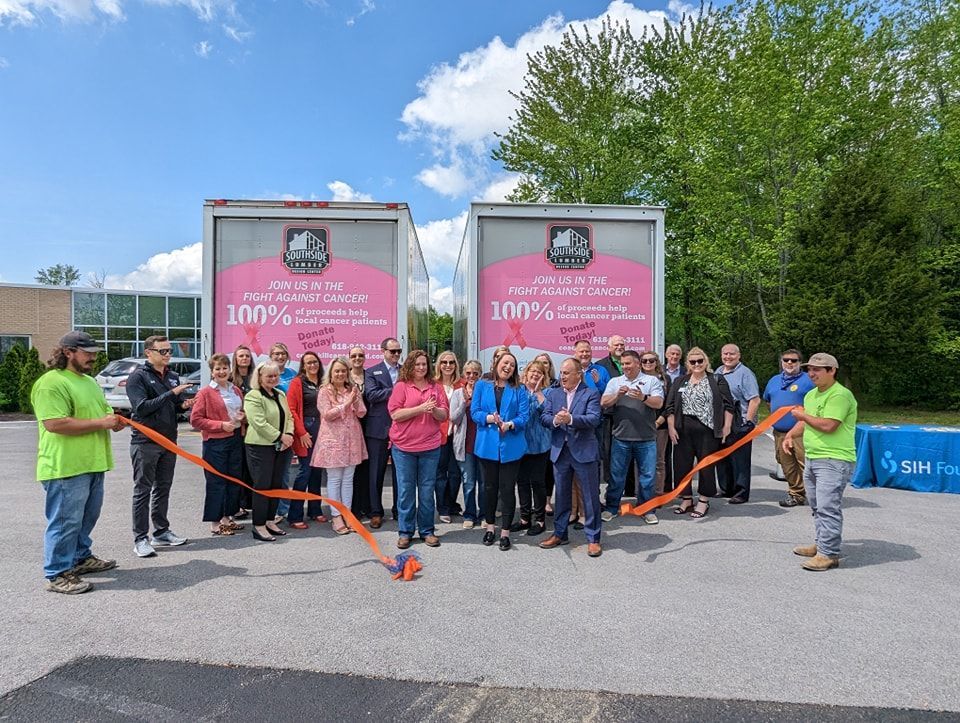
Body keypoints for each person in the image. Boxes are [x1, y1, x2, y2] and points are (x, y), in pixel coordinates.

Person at [32, 331, 122, 594]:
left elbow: (101, 411)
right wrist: (102, 423)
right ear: (68, 352)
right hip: (65, 467)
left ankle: (80, 558)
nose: (93, 357)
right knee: (65, 521)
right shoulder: (52, 383)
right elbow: (54, 423)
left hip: (93, 462)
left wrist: (113, 420)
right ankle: (58, 573)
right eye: (88, 353)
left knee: (86, 517)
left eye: (94, 353)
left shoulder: (89, 382)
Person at [783, 353, 857, 571]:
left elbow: (828, 425)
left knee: (828, 506)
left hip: (834, 459)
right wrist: (790, 435)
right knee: (816, 505)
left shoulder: (840, 396)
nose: (812, 373)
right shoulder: (812, 395)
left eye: (818, 369)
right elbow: (806, 424)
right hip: (814, 456)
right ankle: (821, 543)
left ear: (832, 371)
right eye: (810, 369)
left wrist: (803, 416)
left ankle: (828, 554)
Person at [126, 335, 194, 558]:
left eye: (169, 351)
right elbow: (142, 408)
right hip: (145, 441)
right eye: (162, 351)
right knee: (143, 490)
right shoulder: (138, 377)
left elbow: (174, 407)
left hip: (168, 440)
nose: (167, 355)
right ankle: (140, 538)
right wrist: (171, 394)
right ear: (149, 353)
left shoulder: (173, 376)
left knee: (163, 487)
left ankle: (161, 531)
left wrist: (185, 404)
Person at [539, 358, 604, 557]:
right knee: (562, 495)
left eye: (567, 373)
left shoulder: (591, 393)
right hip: (560, 452)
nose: (562, 376)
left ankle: (593, 538)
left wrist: (571, 419)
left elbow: (594, 419)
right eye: (562, 373)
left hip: (584, 451)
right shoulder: (555, 393)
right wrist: (556, 421)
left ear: (579, 374)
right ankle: (560, 533)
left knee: (590, 496)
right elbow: (544, 417)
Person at [388, 350, 448, 549]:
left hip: (430, 447)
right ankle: (405, 532)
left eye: (424, 364)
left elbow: (443, 415)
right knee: (405, 491)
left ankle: (427, 531)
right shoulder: (401, 386)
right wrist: (420, 409)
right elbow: (395, 414)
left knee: (426, 491)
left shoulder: (436, 387)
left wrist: (434, 410)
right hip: (404, 448)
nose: (421, 367)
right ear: (410, 366)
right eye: (417, 364)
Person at [664, 348, 734, 520]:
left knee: (705, 466)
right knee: (681, 465)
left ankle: (703, 499)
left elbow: (728, 405)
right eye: (693, 362)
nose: (696, 364)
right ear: (688, 363)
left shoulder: (716, 380)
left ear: (706, 361)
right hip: (683, 428)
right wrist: (671, 428)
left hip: (707, 430)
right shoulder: (681, 381)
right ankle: (686, 498)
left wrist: (727, 427)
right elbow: (670, 407)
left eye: (700, 361)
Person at [471, 351, 529, 550]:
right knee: (489, 488)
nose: (508, 367)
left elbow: (524, 416)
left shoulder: (519, 389)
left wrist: (510, 424)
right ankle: (489, 528)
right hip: (487, 445)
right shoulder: (481, 385)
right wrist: (489, 418)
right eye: (505, 363)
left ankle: (505, 532)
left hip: (511, 446)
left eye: (512, 365)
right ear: (496, 364)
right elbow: (475, 412)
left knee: (507, 489)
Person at [600, 350, 664, 524]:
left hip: (646, 438)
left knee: (647, 477)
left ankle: (646, 509)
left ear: (638, 363)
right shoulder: (615, 382)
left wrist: (643, 397)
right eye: (623, 364)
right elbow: (603, 402)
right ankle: (611, 508)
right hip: (621, 438)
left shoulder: (652, 381)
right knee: (616, 476)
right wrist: (617, 395)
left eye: (628, 363)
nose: (625, 367)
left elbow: (659, 403)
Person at [190, 353, 245, 536]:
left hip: (235, 438)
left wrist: (241, 417)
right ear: (212, 372)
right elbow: (196, 420)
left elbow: (240, 410)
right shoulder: (205, 393)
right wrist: (220, 425)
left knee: (233, 479)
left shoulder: (235, 390)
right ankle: (215, 522)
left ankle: (227, 517)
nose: (222, 372)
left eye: (224, 368)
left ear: (230, 370)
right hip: (215, 442)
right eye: (218, 369)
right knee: (216, 482)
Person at [312, 357, 368, 535]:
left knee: (348, 477)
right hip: (333, 440)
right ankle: (336, 515)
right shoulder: (324, 391)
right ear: (331, 373)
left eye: (343, 371)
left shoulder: (352, 389)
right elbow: (327, 415)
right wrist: (346, 403)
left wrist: (356, 399)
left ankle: (348, 513)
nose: (340, 374)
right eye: (337, 371)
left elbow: (362, 412)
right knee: (335, 478)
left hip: (352, 438)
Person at [243, 361, 294, 542]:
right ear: (260, 377)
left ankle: (271, 521)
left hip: (281, 446)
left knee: (276, 485)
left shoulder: (280, 394)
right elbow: (258, 422)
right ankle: (258, 525)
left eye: (276, 375)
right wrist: (281, 436)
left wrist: (288, 434)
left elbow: (289, 417)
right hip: (260, 447)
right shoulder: (253, 396)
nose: (273, 379)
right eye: (269, 376)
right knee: (262, 486)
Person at [763, 349, 815, 508]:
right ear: (781, 362)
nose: (790, 363)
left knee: (806, 465)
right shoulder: (774, 380)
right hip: (780, 432)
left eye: (794, 360)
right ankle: (796, 494)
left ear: (800, 363)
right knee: (787, 465)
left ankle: (817, 497)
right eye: (786, 360)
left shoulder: (809, 381)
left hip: (802, 431)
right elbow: (768, 401)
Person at [361, 337, 403, 527]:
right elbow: (371, 395)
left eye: (398, 351)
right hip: (378, 429)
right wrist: (396, 391)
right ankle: (375, 511)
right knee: (375, 473)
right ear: (383, 351)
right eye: (392, 351)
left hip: (402, 428)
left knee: (400, 474)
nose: (395, 355)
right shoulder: (371, 372)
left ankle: (399, 510)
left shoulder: (405, 372)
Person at [714, 344, 761, 503]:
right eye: (725, 354)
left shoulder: (745, 374)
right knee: (723, 458)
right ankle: (726, 488)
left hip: (740, 422)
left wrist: (748, 422)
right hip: (722, 423)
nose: (728, 357)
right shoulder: (718, 372)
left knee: (739, 460)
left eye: (732, 354)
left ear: (739, 355)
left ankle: (740, 492)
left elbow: (754, 399)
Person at [285, 351, 326, 529]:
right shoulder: (297, 382)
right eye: (308, 363)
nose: (312, 365)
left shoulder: (324, 382)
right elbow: (291, 409)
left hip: (323, 429)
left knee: (317, 471)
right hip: (306, 430)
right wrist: (301, 432)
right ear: (303, 365)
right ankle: (294, 515)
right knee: (305, 471)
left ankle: (315, 510)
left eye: (315, 362)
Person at [516, 360, 551, 536]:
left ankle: (540, 520)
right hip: (521, 445)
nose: (535, 374)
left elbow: (548, 411)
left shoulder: (547, 392)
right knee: (522, 482)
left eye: (539, 372)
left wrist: (537, 393)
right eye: (532, 371)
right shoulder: (518, 390)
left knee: (537, 482)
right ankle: (524, 518)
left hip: (540, 445)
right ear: (526, 372)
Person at [448, 360, 483, 529]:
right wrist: (464, 401)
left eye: (475, 373)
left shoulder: (485, 391)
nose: (472, 377)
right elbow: (453, 417)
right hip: (465, 443)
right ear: (464, 374)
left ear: (480, 375)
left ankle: (484, 514)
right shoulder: (457, 393)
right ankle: (469, 514)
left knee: (484, 482)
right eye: (468, 373)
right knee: (468, 482)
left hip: (483, 444)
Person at [434, 350, 463, 523]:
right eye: (444, 362)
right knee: (440, 474)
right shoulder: (433, 384)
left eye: (451, 362)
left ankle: (452, 503)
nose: (448, 365)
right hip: (439, 435)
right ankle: (443, 507)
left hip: (458, 435)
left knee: (455, 473)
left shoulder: (462, 384)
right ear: (439, 365)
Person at [641, 352, 674, 495]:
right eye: (644, 360)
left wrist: (659, 421)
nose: (648, 363)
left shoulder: (665, 379)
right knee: (641, 461)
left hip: (661, 424)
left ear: (657, 362)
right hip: (641, 425)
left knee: (659, 461)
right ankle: (642, 493)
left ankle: (658, 493)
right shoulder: (637, 379)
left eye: (651, 360)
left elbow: (669, 403)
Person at [230, 345, 255, 520]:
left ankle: (251, 502)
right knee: (237, 467)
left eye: (247, 356)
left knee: (251, 467)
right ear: (236, 359)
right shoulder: (231, 378)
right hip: (237, 428)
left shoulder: (256, 377)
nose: (244, 358)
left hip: (254, 427)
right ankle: (237, 504)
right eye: (241, 356)